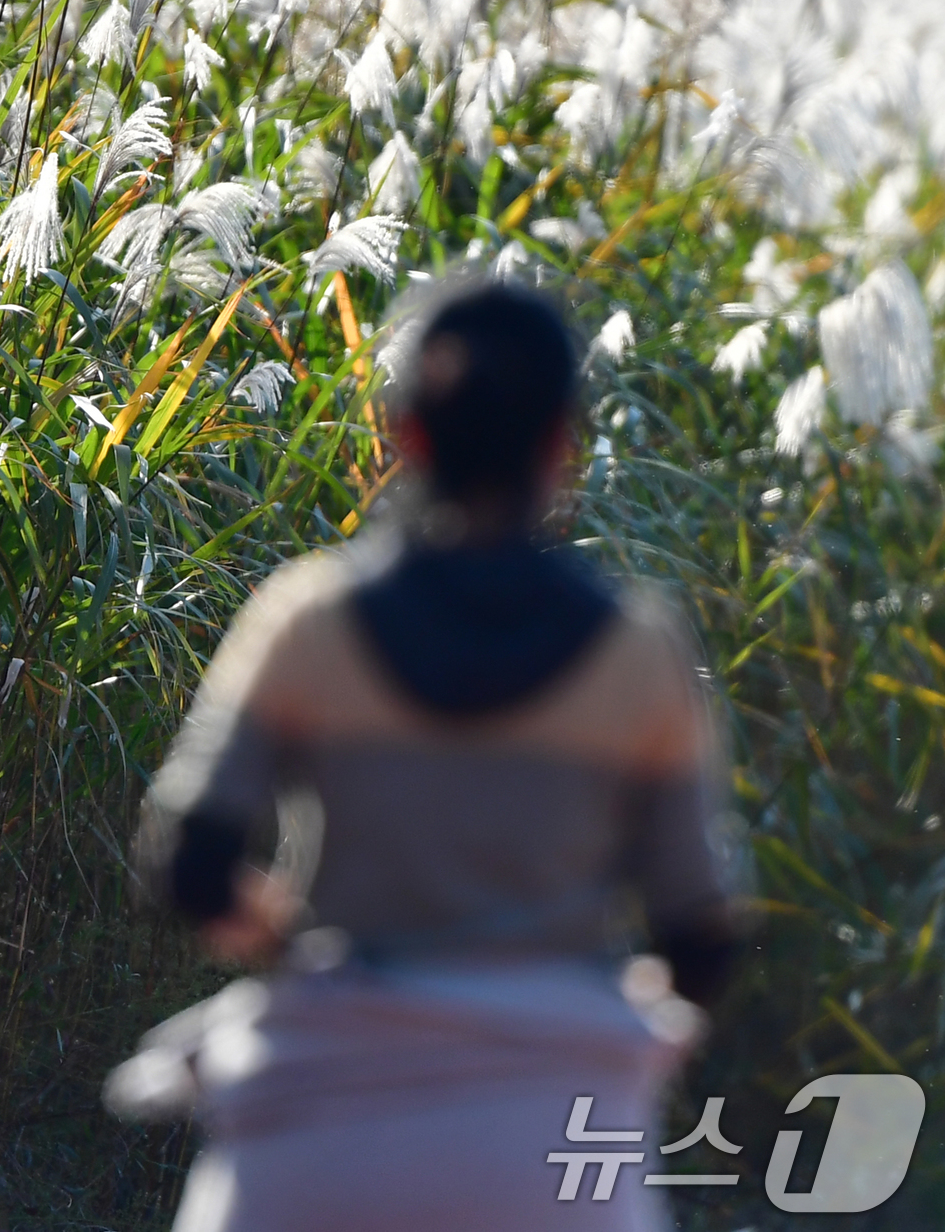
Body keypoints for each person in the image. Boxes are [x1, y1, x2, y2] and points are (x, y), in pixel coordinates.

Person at [105, 277, 743, 1230]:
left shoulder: (307, 619)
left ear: (407, 437)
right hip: (554, 1165)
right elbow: (703, 937)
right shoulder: (639, 651)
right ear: (561, 446)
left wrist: (296, 945)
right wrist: (584, 1013)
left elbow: (188, 858)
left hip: (311, 1157)